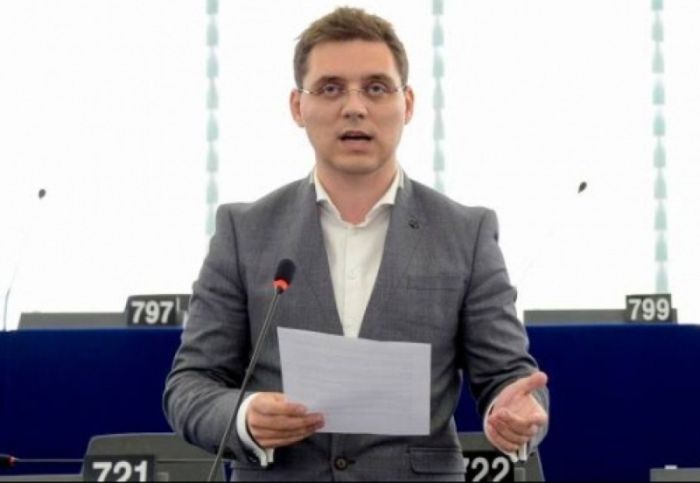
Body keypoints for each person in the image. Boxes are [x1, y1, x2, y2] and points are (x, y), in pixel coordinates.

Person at [164, 7, 549, 481]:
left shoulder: (465, 233)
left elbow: (508, 376)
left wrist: (517, 412)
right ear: (297, 106)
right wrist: (244, 417)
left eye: (376, 88)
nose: (354, 107)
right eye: (330, 88)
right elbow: (191, 384)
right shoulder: (244, 231)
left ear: (408, 103)